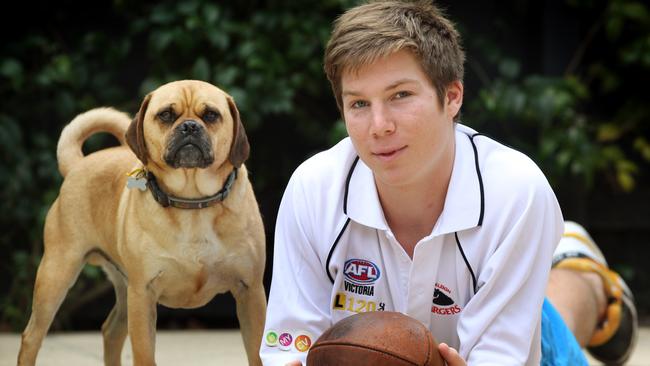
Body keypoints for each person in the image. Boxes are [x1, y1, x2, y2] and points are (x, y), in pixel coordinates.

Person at [260, 1, 638, 365]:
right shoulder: (313, 190)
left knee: (553, 322)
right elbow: (290, 344)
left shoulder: (516, 192)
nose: (379, 126)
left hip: (514, 336)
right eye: (359, 104)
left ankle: (579, 268)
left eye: (400, 95)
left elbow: (502, 357)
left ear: (452, 96)